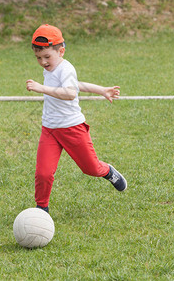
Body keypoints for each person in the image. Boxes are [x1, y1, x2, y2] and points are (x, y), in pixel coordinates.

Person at [26, 24, 127, 213]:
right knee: (43, 173)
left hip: (72, 128)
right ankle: (42, 210)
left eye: (47, 57)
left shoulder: (66, 68)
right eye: (38, 58)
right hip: (49, 129)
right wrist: (101, 89)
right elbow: (76, 85)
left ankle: (108, 171)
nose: (43, 62)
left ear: (61, 51)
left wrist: (41, 88)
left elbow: (70, 92)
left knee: (91, 169)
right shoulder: (50, 68)